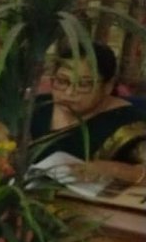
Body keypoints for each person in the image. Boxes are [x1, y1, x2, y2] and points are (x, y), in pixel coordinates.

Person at [23, 42, 145, 184]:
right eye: (62, 81)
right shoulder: (36, 107)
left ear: (108, 86)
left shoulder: (128, 122)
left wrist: (117, 170)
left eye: (83, 84)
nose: (69, 93)